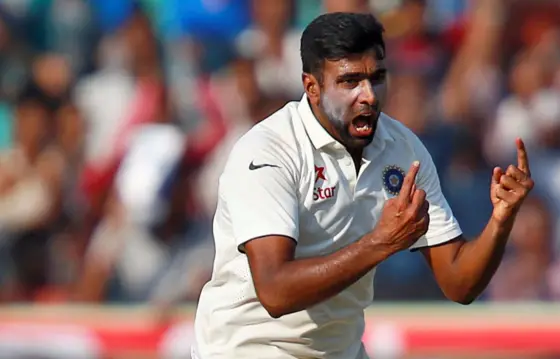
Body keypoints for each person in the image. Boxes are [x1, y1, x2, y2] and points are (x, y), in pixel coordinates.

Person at [192, 12, 534, 359]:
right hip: (247, 348)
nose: (368, 95)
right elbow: (275, 291)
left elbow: (459, 282)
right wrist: (379, 243)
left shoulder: (403, 148)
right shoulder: (268, 152)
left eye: (377, 77)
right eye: (350, 81)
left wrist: (500, 220)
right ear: (312, 87)